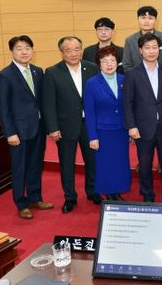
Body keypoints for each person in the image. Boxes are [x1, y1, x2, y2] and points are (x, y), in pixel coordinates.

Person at [0, 35, 53, 219]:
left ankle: (35, 198)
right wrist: (10, 132)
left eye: (27, 48)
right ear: (12, 51)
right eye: (19, 49)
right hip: (18, 131)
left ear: (32, 50)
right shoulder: (4, 76)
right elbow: (3, 109)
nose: (24, 52)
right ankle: (21, 203)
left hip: (38, 127)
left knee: (36, 164)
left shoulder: (37, 71)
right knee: (20, 168)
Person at [42, 36, 100, 213]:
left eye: (77, 49)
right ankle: (70, 197)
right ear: (61, 52)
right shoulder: (52, 72)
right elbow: (48, 103)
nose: (74, 53)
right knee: (67, 164)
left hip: (89, 124)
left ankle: (92, 191)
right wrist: (52, 128)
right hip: (65, 126)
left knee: (93, 161)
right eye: (69, 50)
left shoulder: (92, 68)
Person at [124, 33, 162, 203]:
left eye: (154, 47)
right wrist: (131, 126)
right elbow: (127, 102)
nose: (151, 51)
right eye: (147, 48)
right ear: (140, 50)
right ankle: (147, 195)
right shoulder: (132, 73)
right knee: (145, 164)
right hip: (143, 127)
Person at [83, 46, 131, 201]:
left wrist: (131, 128)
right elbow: (89, 112)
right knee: (106, 164)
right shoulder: (92, 83)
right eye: (104, 61)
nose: (109, 64)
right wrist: (92, 136)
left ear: (117, 62)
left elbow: (129, 106)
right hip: (103, 131)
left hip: (121, 130)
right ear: (99, 64)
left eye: (112, 60)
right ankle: (110, 193)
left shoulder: (124, 80)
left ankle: (117, 191)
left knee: (120, 162)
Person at [122, 6, 162, 72]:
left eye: (150, 18)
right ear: (138, 19)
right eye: (143, 18)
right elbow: (126, 65)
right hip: (137, 77)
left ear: (155, 20)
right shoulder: (130, 40)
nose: (146, 21)